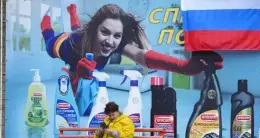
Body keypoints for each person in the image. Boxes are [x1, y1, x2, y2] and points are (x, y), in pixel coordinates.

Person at [40, 4, 224, 95]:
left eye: (117, 35)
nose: (111, 42)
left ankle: (73, 13)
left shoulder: (114, 42)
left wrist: (184, 67)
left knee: (77, 29)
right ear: (95, 30)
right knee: (52, 37)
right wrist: (79, 77)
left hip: (81, 34)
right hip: (60, 44)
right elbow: (74, 97)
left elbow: (140, 55)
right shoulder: (75, 46)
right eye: (105, 32)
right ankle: (45, 23)